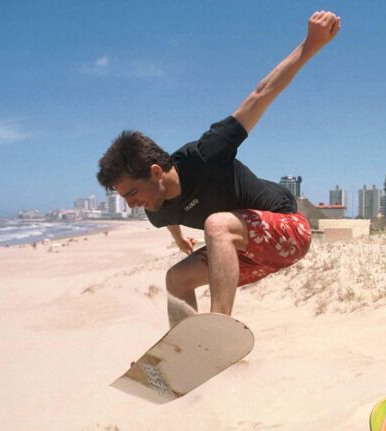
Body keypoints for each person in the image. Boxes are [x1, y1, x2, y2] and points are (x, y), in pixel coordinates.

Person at [97, 11, 341, 325]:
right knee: (176, 278)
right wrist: (177, 239)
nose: (131, 204)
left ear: (156, 171)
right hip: (245, 258)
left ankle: (217, 328)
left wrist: (310, 43)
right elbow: (167, 217)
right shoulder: (154, 207)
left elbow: (262, 94)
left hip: (290, 232)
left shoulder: (205, 155)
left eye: (132, 193)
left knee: (216, 225)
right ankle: (185, 351)